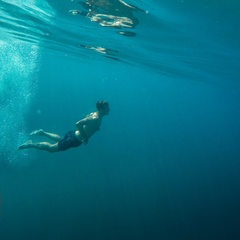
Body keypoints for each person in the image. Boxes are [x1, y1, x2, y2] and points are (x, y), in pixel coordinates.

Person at [18, 100, 110, 152]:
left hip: (73, 134)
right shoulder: (95, 118)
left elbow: (88, 123)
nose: (109, 109)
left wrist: (93, 128)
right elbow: (78, 123)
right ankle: (29, 144)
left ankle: (43, 132)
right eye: (107, 108)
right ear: (101, 109)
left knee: (61, 138)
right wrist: (85, 137)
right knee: (51, 148)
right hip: (74, 139)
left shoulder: (95, 114)